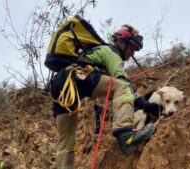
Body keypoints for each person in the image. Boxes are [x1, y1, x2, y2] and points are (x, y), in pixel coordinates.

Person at [50, 24, 158, 168]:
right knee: (122, 86)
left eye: (134, 50)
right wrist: (146, 105)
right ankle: (126, 136)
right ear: (120, 41)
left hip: (60, 85)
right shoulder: (111, 52)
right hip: (78, 76)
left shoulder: (97, 51)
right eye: (131, 48)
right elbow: (123, 82)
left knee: (66, 141)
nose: (132, 53)